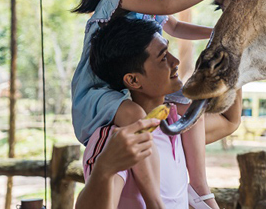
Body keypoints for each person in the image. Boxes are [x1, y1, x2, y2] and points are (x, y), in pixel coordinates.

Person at [71, 0, 242, 208]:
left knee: (190, 108)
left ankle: (199, 187)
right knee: (136, 116)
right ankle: (154, 202)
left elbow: (174, 28)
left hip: (129, 83)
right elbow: (166, 7)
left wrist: (220, 35)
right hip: (100, 91)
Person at [76, 17, 241, 209]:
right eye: (163, 57)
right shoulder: (119, 140)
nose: (175, 61)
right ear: (133, 81)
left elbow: (230, 121)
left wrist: (234, 52)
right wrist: (103, 169)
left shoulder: (176, 126)